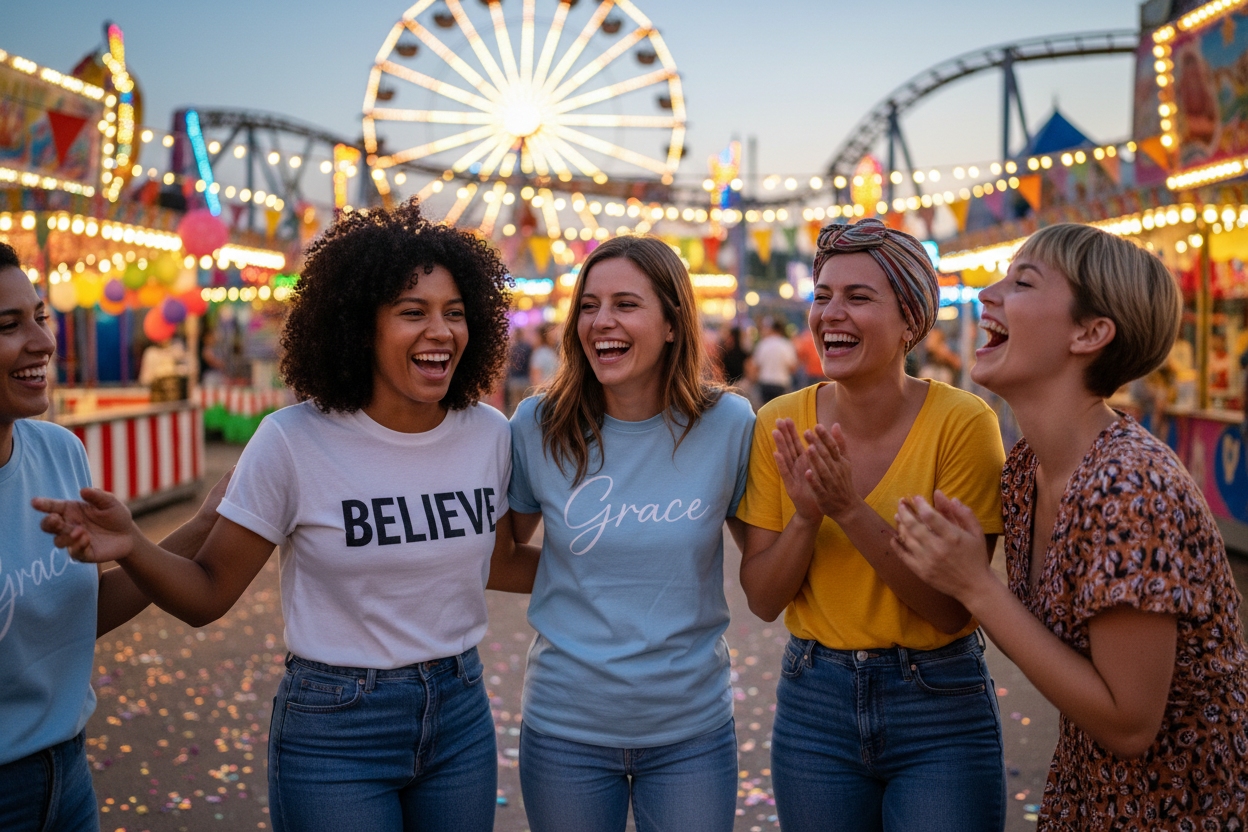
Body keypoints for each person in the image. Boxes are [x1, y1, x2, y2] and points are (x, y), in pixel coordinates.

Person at [34, 201, 539, 832]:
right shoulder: (293, 441)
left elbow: (497, 562)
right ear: (360, 327)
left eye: (455, 313)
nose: (442, 331)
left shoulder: (489, 435)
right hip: (336, 728)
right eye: (413, 312)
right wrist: (134, 544)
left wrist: (642, 554)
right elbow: (208, 594)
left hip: (462, 712)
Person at [892, 223, 1248, 830]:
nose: (988, 294)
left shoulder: (1130, 487)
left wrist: (975, 586)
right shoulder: (1027, 470)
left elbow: (1130, 723)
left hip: (1174, 813)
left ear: (1090, 333)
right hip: (1087, 799)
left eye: (1022, 281)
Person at [736, 218, 1007, 831]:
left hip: (938, 702)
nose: (832, 313)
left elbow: (951, 610)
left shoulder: (963, 424)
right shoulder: (780, 421)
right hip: (814, 701)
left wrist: (849, 511)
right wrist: (806, 517)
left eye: (858, 297)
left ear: (911, 320)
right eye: (823, 295)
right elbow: (762, 599)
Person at [507, 235, 755, 832]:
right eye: (589, 305)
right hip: (565, 726)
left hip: (690, 730)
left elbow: (765, 570)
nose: (601, 321)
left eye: (625, 304)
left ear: (673, 322)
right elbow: (499, 556)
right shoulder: (537, 425)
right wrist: (590, 570)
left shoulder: (729, 423)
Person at [0, 240, 226, 832]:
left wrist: (195, 528)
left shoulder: (58, 452)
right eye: (8, 325)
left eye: (40, 317)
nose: (44, 343)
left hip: (68, 776)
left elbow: (77, 611)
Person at [751, 316, 797, 403]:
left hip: (765, 383)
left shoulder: (763, 344)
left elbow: (755, 366)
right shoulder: (786, 345)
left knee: (766, 411)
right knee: (780, 412)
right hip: (781, 383)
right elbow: (793, 368)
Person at [529, 321, 560, 389]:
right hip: (546, 394)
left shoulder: (555, 351)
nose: (556, 333)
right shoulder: (540, 353)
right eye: (553, 331)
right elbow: (535, 380)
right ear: (546, 334)